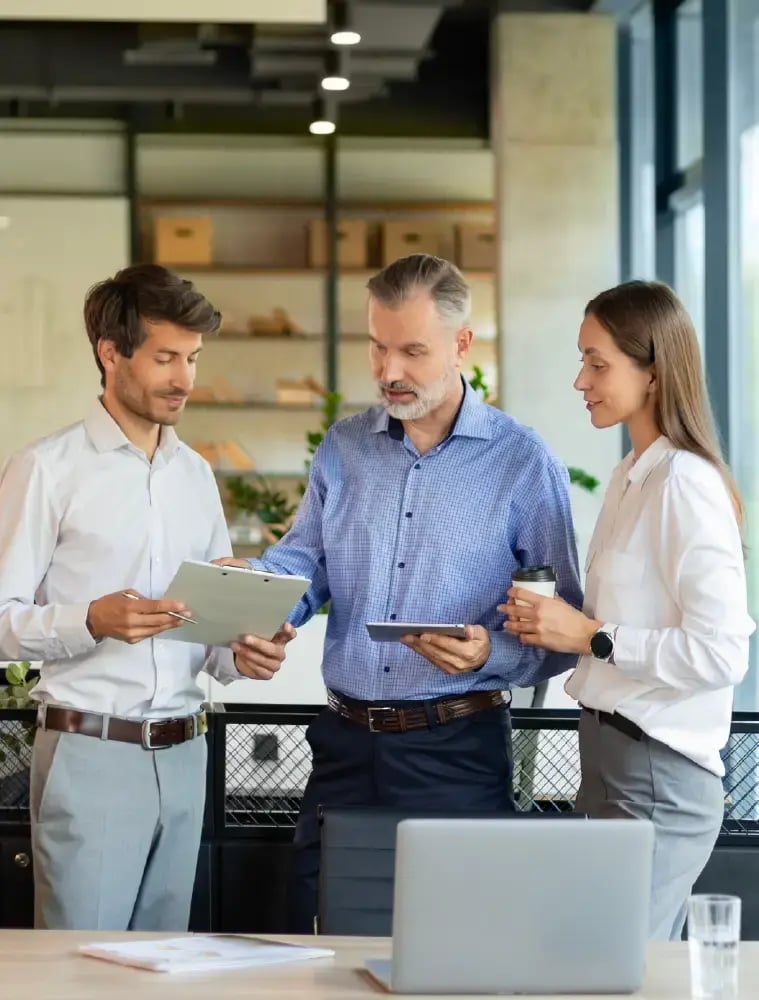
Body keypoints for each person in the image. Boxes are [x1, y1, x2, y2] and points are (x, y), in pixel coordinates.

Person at [217, 253, 583, 932]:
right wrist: (258, 601)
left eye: (412, 351)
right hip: (342, 744)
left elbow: (563, 632)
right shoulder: (344, 447)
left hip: (457, 750)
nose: (389, 371)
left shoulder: (523, 463)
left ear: (462, 345)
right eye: (377, 347)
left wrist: (487, 654)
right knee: (310, 935)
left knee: (458, 944)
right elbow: (307, 561)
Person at [0, 264, 290, 931]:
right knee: (79, 973)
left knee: (164, 971)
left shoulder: (195, 475)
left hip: (188, 756)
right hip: (91, 753)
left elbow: (208, 639)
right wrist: (90, 621)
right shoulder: (46, 469)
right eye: (165, 358)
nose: (184, 378)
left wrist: (243, 651)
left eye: (191, 359)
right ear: (111, 354)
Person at [501, 280, 755, 941]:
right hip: (613, 765)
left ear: (652, 370)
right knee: (610, 969)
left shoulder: (685, 485)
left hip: (657, 775)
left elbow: (722, 654)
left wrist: (593, 637)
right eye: (581, 360)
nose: (580, 380)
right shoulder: (630, 475)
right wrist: (553, 623)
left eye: (597, 362)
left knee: (617, 973)